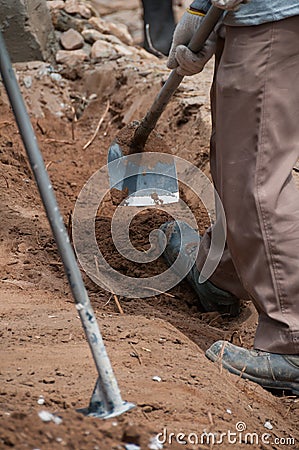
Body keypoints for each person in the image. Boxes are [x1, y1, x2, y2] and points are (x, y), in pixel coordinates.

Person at [158, 0, 299, 395]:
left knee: (255, 177)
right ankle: (222, 272)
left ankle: (292, 339)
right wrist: (203, 13)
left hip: (276, 16)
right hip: (264, 14)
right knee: (237, 158)